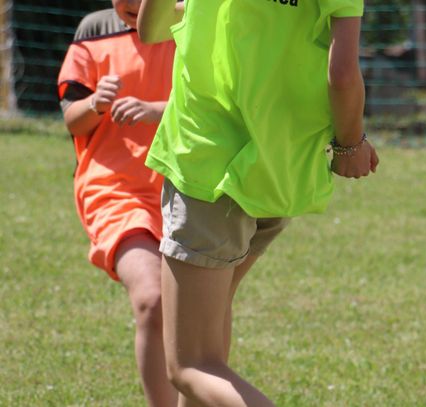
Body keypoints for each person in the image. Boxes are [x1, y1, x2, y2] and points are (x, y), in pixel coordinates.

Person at [138, 0, 378, 405]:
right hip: (281, 169)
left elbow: (151, 28)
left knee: (191, 366)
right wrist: (350, 143)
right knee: (210, 337)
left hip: (209, 166)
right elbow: (341, 73)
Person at [57, 1, 181, 405]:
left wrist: (156, 111)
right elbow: (72, 118)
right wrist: (96, 102)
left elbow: (219, 103)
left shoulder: (190, 22)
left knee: (196, 319)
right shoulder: (94, 30)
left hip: (187, 188)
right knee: (152, 299)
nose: (129, 3)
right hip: (115, 191)